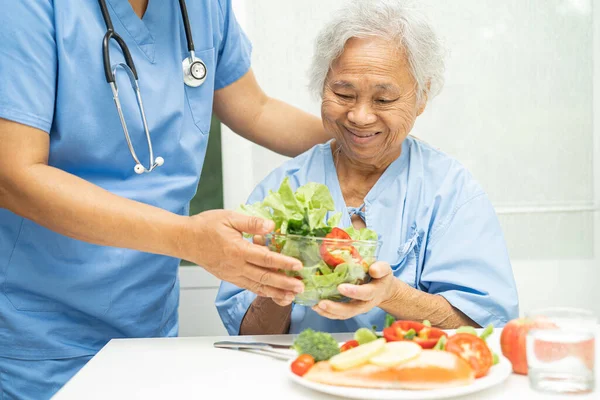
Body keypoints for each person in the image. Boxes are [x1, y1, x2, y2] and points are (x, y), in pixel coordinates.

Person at [0, 0, 330, 398]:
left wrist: (364, 140)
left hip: (147, 321)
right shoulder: (29, 9)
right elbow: (14, 176)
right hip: (41, 329)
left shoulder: (203, 7)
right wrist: (188, 238)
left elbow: (255, 109)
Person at [216, 0, 519, 337]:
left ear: (422, 97)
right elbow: (246, 334)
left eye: (384, 100)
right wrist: (280, 280)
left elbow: (485, 327)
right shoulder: (282, 190)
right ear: (321, 87)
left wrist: (392, 294)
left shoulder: (450, 191)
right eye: (343, 93)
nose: (360, 116)